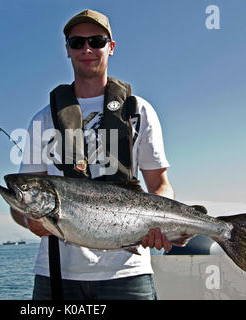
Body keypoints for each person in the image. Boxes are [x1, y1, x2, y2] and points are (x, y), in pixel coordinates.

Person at [10, 9, 174, 300]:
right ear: (67, 51)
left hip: (128, 273)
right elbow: (20, 203)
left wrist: (161, 225)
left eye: (96, 41)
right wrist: (28, 221)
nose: (87, 49)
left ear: (110, 47)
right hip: (56, 274)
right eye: (77, 43)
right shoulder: (43, 119)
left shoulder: (139, 111)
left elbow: (159, 185)